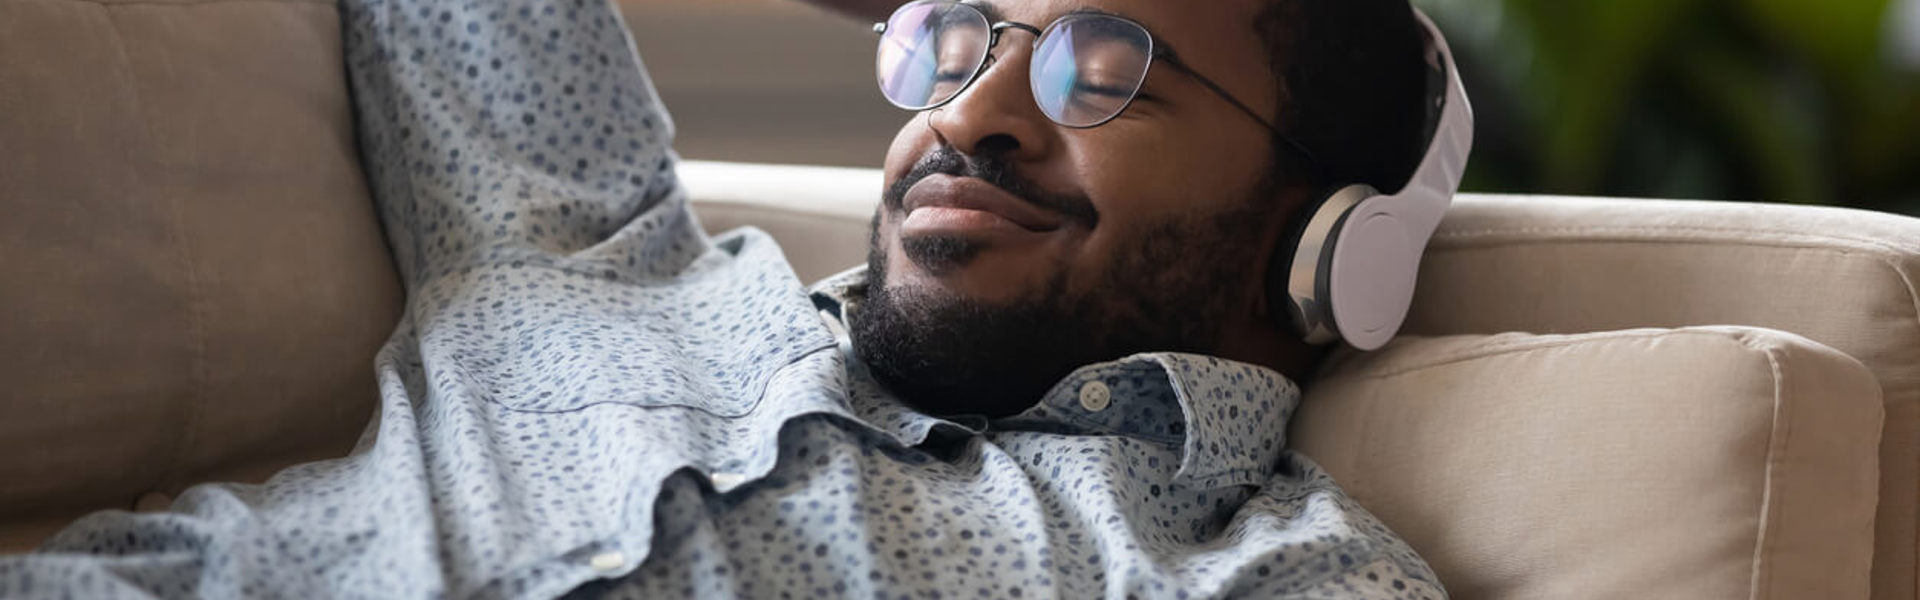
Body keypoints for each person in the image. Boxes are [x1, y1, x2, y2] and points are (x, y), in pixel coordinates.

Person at [0, 0, 1454, 597]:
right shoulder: (577, 243)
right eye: (955, 44)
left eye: (1104, 66)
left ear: (1331, 239)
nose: (973, 114)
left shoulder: (1280, 580)